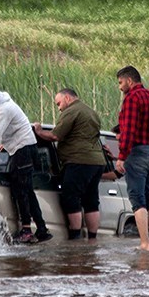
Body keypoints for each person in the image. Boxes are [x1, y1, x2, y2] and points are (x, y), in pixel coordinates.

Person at [0, 80, 52, 244]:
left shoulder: (3, 110)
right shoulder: (5, 104)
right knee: (28, 190)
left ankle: (26, 230)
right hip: (26, 148)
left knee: (21, 190)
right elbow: (7, 136)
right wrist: (4, 148)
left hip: (23, 150)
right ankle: (42, 229)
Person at [33, 88, 107, 240]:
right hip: (97, 162)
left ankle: (75, 237)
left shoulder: (72, 111)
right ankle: (92, 238)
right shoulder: (91, 112)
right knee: (91, 200)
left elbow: (54, 135)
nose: (59, 108)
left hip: (79, 161)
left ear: (67, 98)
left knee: (70, 196)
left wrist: (39, 131)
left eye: (59, 103)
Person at [115, 66, 149, 252]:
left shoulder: (132, 99)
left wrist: (121, 157)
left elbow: (128, 131)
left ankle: (144, 243)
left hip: (137, 153)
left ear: (129, 81)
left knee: (138, 199)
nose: (120, 87)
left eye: (121, 83)